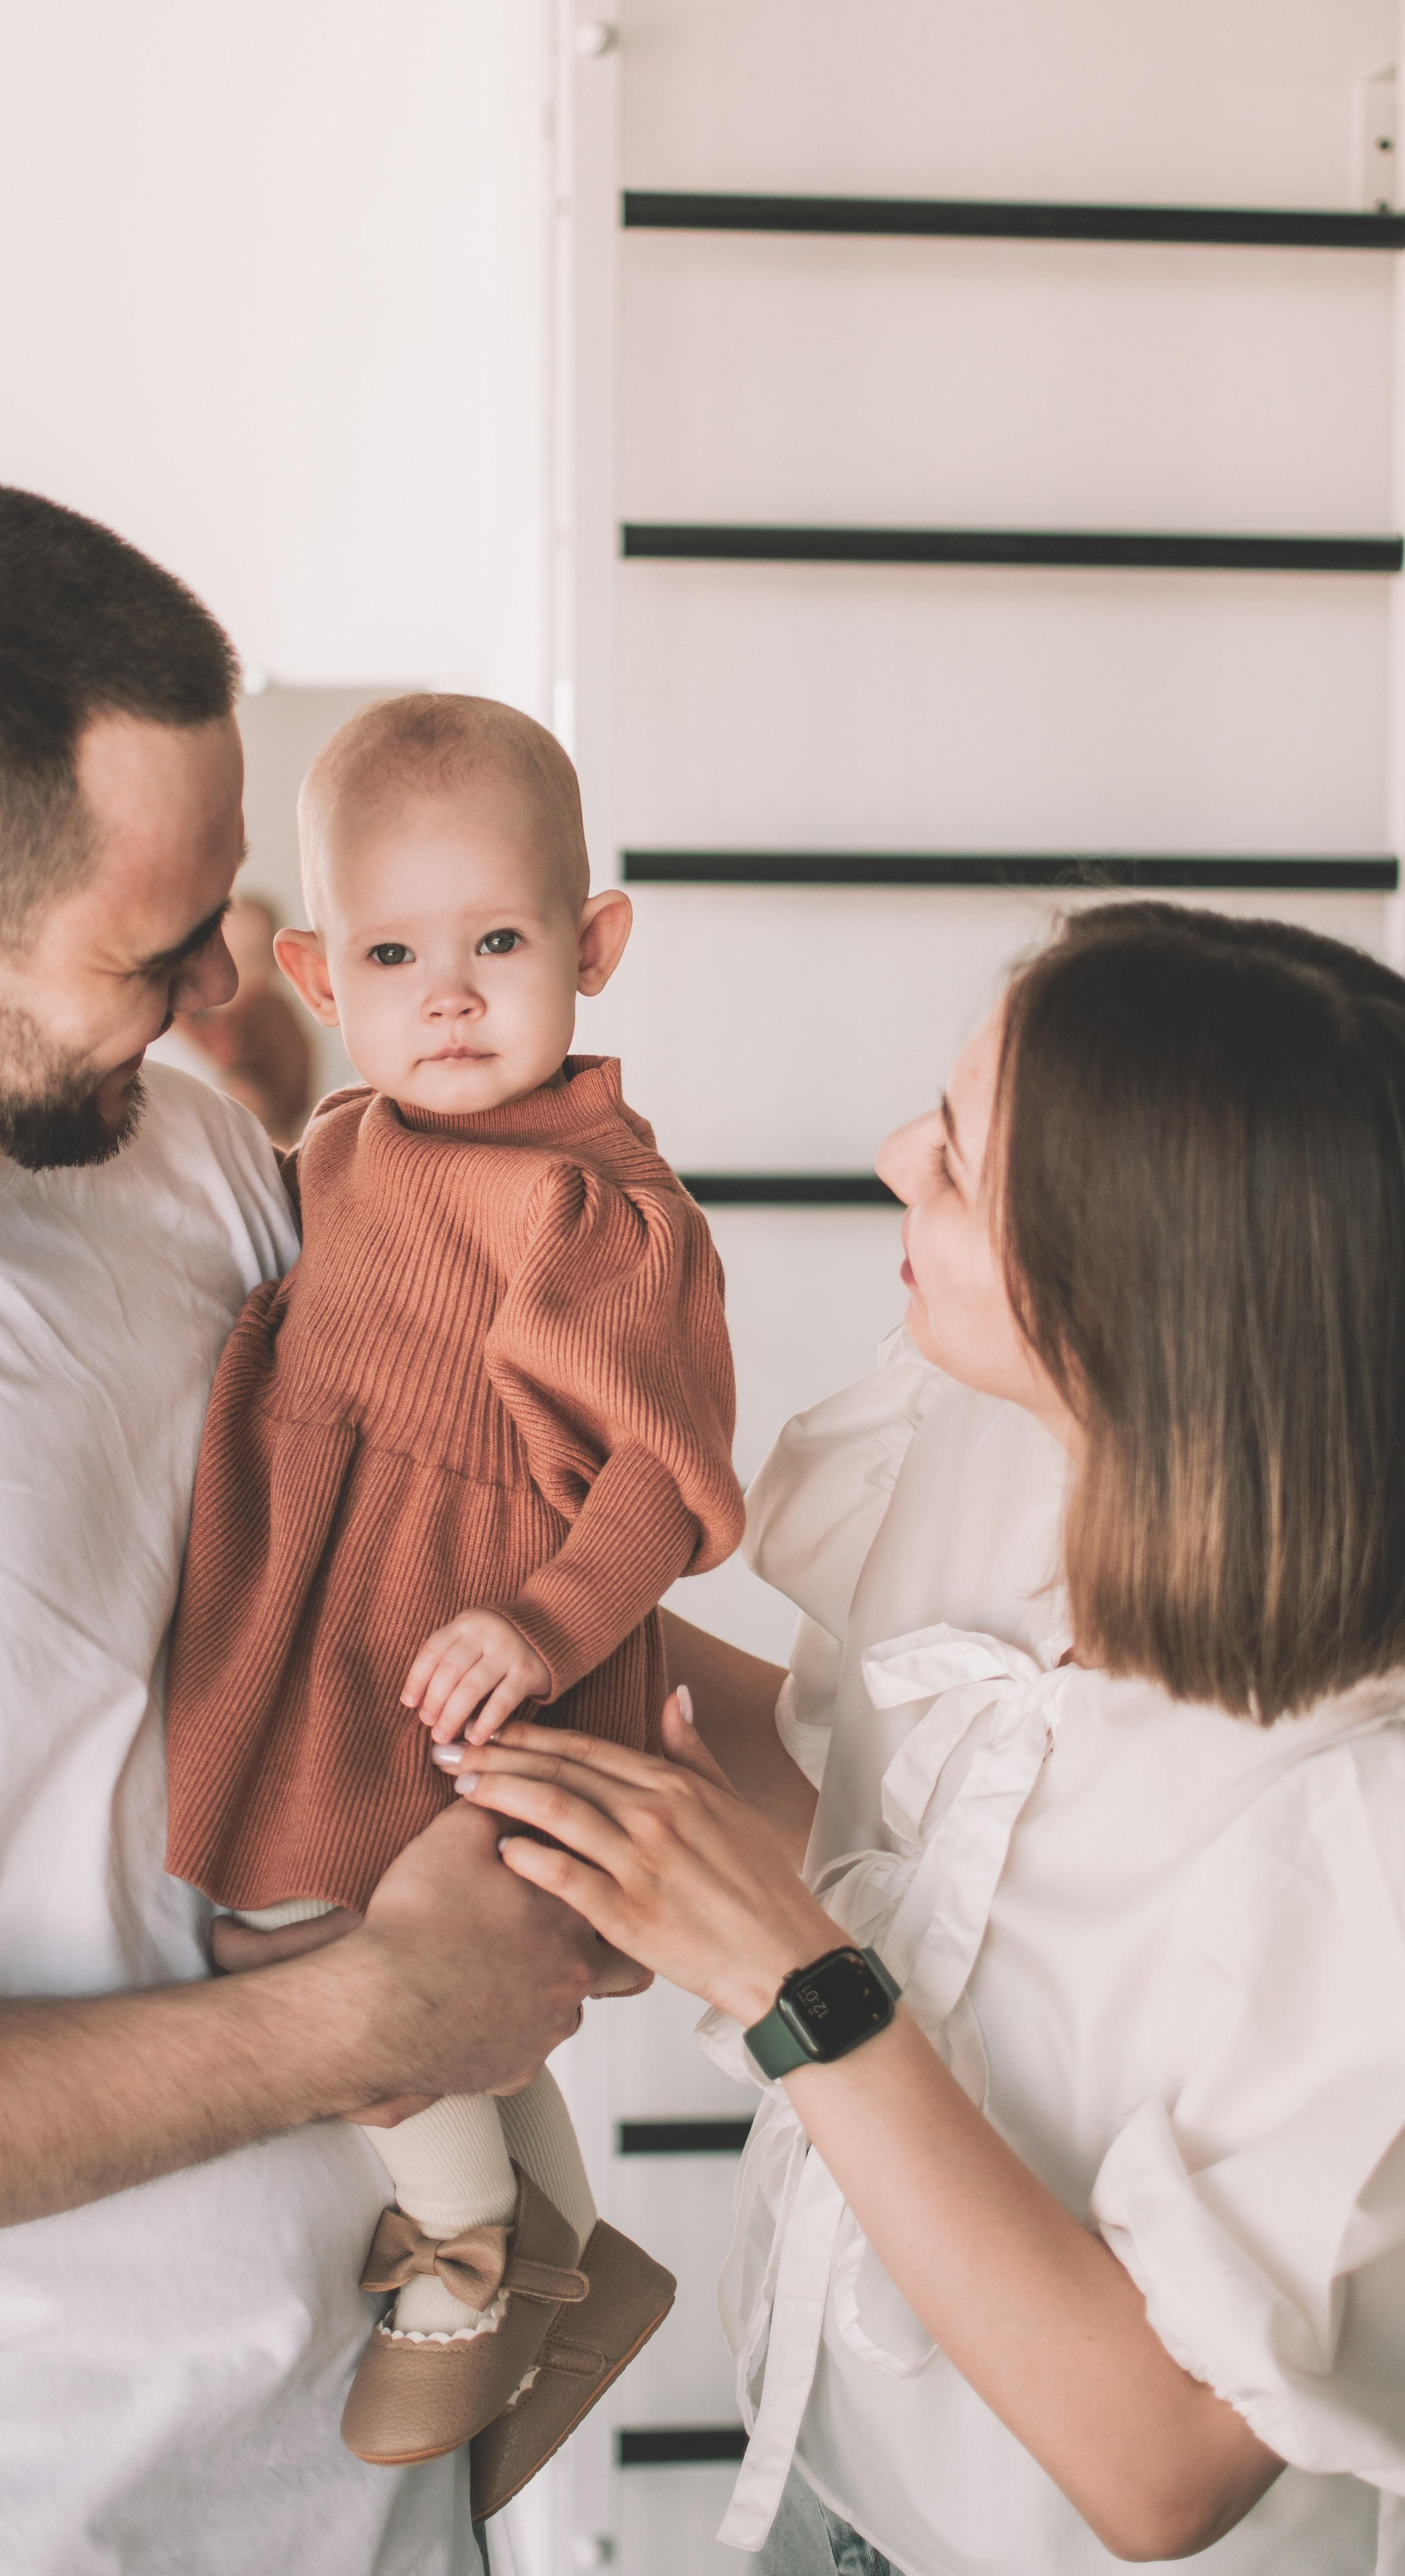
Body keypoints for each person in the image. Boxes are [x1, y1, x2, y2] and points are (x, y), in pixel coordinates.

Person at [0, 480, 605, 2576]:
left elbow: (419, 1538)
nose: (226, 981)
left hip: (370, 2479)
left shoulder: (172, 1145)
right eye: (155, 942)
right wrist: (367, 2023)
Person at [442, 904, 1405, 2575]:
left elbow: (1163, 2465)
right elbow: (858, 1786)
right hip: (823, 2497)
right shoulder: (991, 1439)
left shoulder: (1366, 1810)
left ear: (1138, 1299)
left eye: (957, 1161)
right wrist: (500, 1602)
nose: (895, 1156)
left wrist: (789, 1976)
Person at [166, 692, 745, 2504]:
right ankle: (558, 2235)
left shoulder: (603, 1210)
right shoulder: (342, 1144)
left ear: (596, 948)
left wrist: (544, 1628)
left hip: (471, 1632)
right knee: (384, 1954)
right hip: (329, 1608)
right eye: (403, 955)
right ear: (327, 978)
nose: (455, 997)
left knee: (300, 1933)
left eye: (502, 945)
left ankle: (468, 2246)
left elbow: (659, 1482)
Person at [150, 888, 317, 1142]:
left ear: (276, 966)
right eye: (229, 953)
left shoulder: (270, 1013)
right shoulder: (188, 1017)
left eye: (252, 959)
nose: (239, 975)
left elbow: (258, 1102)